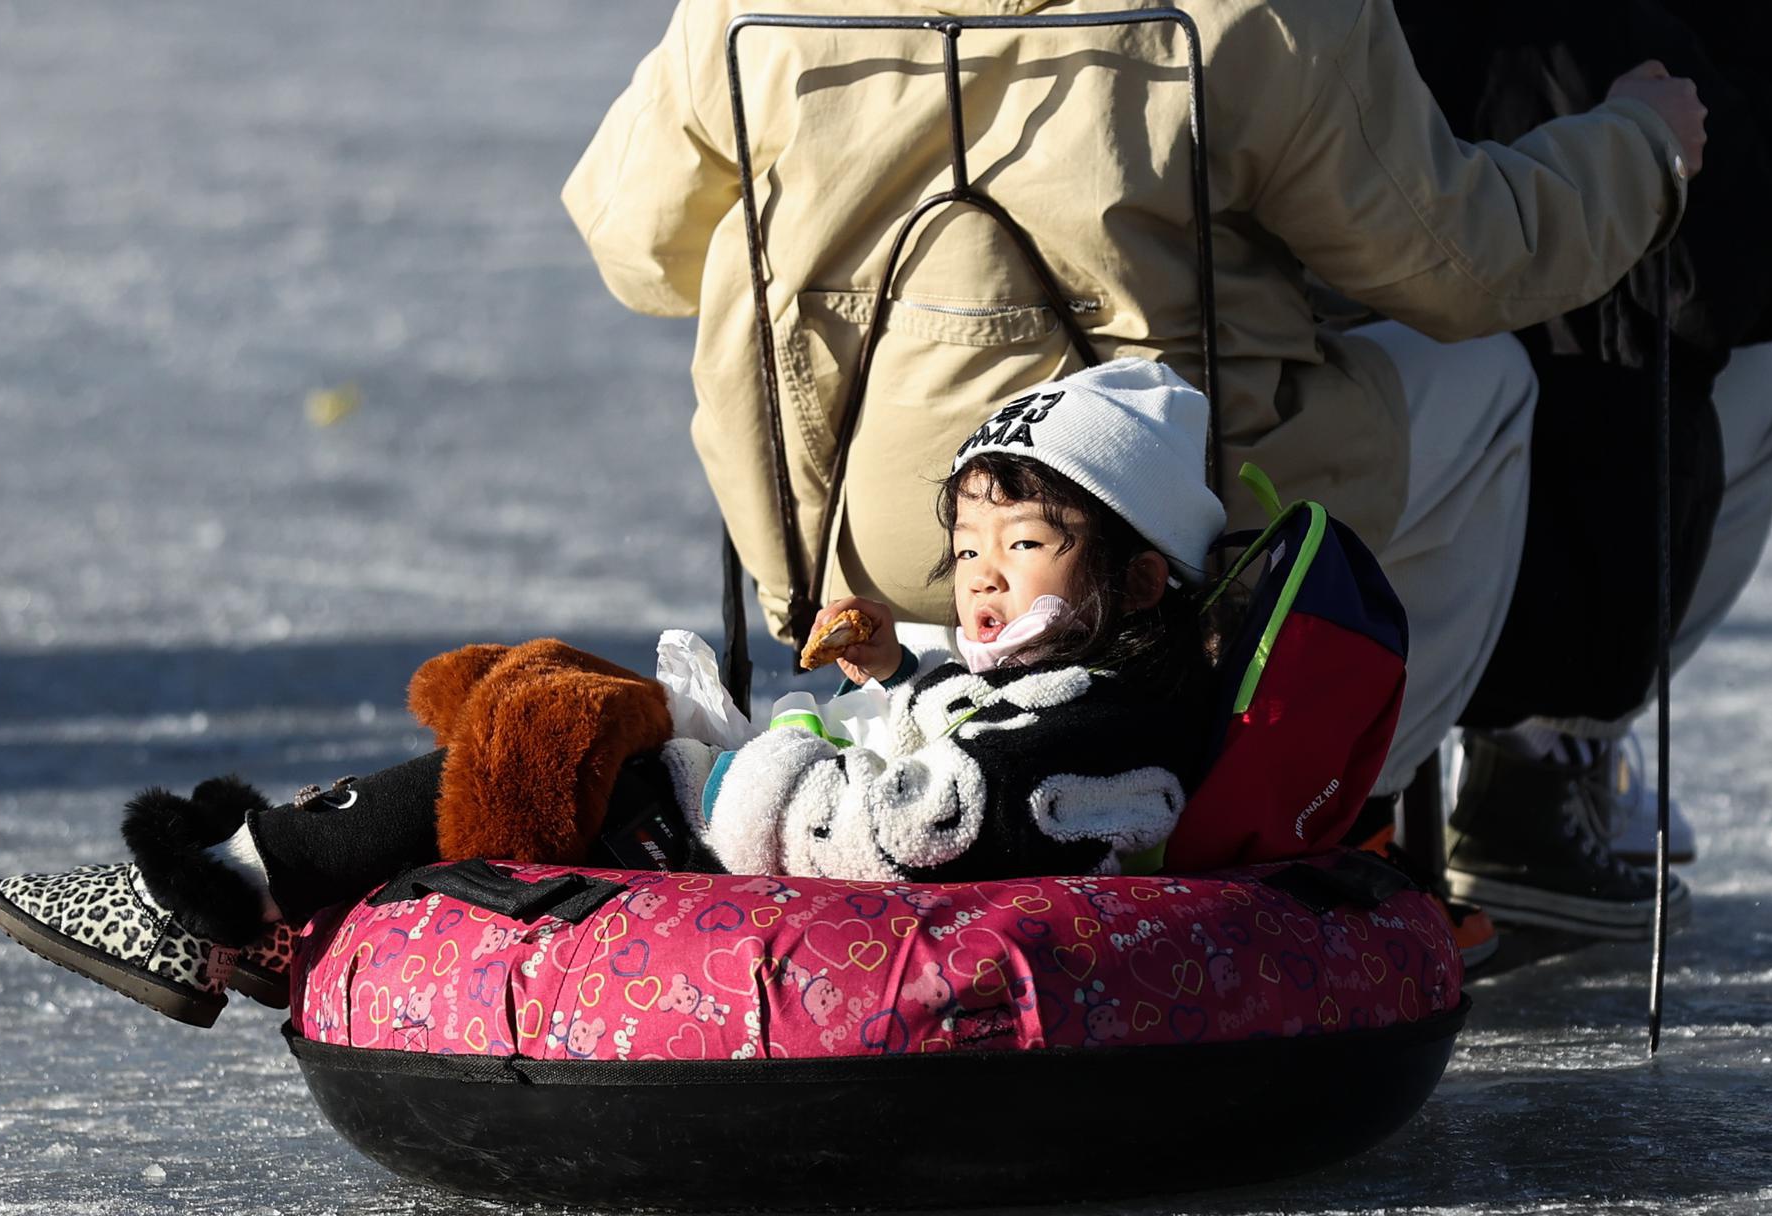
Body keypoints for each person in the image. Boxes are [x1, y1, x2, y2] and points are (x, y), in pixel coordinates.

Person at [564, 0, 1709, 958]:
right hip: (1147, 555)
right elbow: (1467, 264)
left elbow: (635, 248)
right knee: (1483, 373)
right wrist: (1638, 146)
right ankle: (1305, 813)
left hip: (850, 555)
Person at [0, 360, 1234, 1027]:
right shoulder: (1046, 676)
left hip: (731, 831)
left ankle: (218, 891)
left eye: (1022, 548)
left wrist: (768, 757)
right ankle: (253, 895)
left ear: (1133, 579)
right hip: (741, 800)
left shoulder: (1108, 734)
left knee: (550, 730)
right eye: (968, 550)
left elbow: (933, 822)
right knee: (531, 679)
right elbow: (955, 728)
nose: (979, 580)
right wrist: (889, 675)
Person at [1386, 0, 1772, 936]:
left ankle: (1498, 773)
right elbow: (1710, 247)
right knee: (1481, 371)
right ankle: (1516, 761)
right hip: (1384, 489)